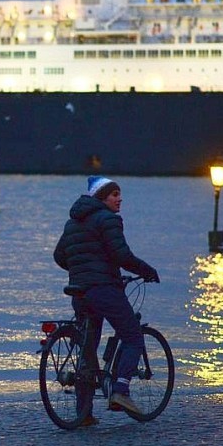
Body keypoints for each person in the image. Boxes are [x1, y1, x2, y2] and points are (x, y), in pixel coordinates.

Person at [53, 176, 159, 424]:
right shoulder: (109, 219)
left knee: (87, 348)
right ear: (102, 197)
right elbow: (121, 255)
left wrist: (81, 270)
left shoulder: (73, 222)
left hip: (79, 291)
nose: (120, 199)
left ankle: (84, 413)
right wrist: (147, 271)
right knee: (133, 336)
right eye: (114, 194)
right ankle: (121, 391)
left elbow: (59, 256)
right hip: (103, 289)